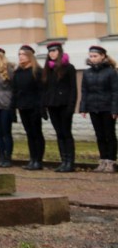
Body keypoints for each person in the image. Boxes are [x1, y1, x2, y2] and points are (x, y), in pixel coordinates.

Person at [79, 45, 118, 173]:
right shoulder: (87, 72)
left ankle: (111, 161)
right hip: (93, 107)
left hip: (107, 107)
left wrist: (114, 109)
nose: (93, 58)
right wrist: (83, 107)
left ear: (103, 56)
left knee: (109, 134)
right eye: (91, 56)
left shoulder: (111, 72)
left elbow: (115, 91)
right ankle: (102, 160)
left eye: (95, 56)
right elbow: (84, 91)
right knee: (99, 135)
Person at [43, 42, 77, 172]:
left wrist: (71, 106)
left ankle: (70, 162)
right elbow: (45, 89)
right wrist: (44, 106)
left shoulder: (68, 68)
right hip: (52, 105)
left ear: (60, 52)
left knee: (66, 133)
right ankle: (63, 160)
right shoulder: (48, 69)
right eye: (50, 51)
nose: (52, 53)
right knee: (59, 133)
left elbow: (73, 89)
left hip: (64, 105)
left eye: (54, 51)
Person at [14, 45, 46, 170]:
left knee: (36, 133)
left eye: (23, 54)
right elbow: (15, 90)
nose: (20, 57)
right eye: (19, 54)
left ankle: (38, 160)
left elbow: (41, 90)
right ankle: (32, 159)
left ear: (29, 56)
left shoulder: (37, 70)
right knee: (29, 133)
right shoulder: (18, 72)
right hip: (23, 106)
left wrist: (41, 107)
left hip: (34, 106)